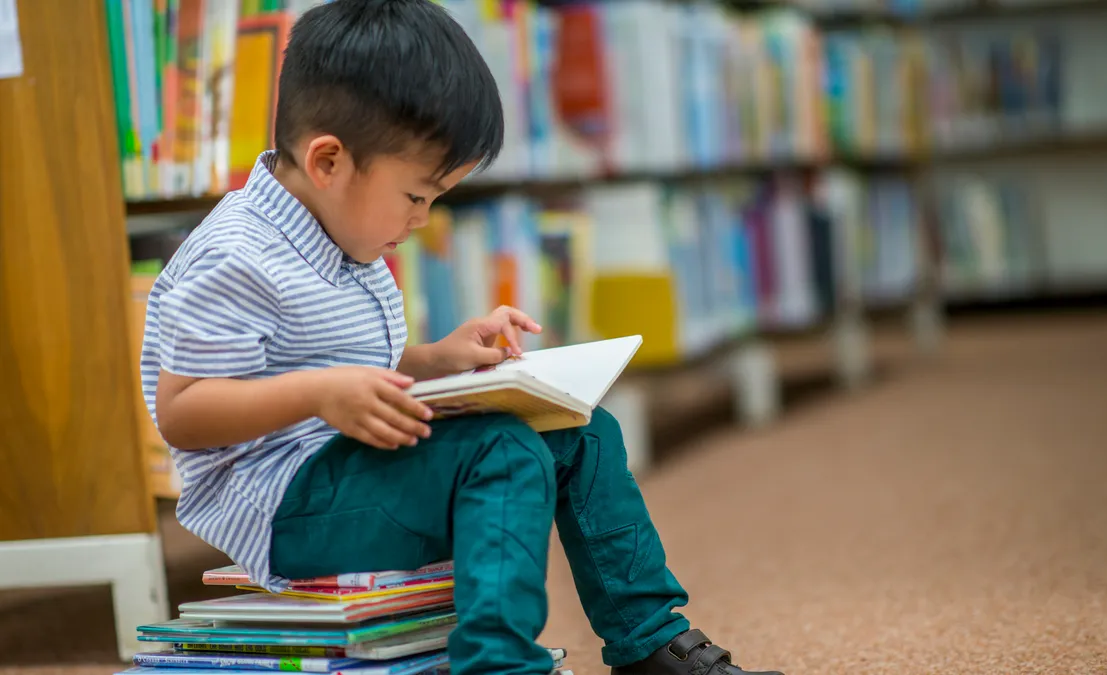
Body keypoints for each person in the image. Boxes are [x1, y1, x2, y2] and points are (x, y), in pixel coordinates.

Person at [140, 1, 783, 674]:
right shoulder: (236, 258)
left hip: (352, 460)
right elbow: (185, 412)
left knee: (581, 429)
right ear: (327, 161)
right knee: (500, 452)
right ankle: (497, 664)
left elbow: (346, 366)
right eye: (418, 196)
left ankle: (650, 641)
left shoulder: (341, 230)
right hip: (283, 504)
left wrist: (435, 359)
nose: (423, 219)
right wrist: (320, 393)